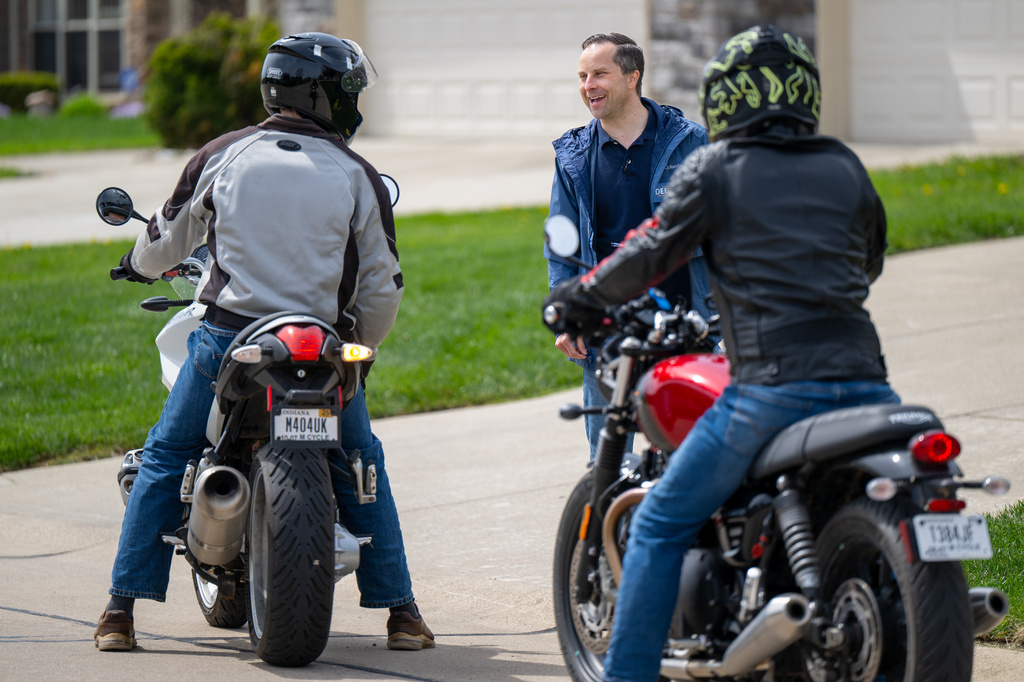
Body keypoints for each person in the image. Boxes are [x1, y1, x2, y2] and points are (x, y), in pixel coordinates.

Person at [543, 25, 899, 682]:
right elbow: (869, 257)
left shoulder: (715, 166)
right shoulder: (842, 163)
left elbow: (650, 253)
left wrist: (575, 299)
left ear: (727, 97)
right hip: (871, 386)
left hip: (769, 387)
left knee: (654, 526)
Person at [93, 32, 433, 654]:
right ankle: (403, 614)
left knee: (167, 454)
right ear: (320, 94)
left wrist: (136, 264)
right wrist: (364, 347)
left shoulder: (224, 154)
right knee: (362, 465)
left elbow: (166, 238)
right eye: (345, 91)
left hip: (227, 336)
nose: (351, 103)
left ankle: (120, 611)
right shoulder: (358, 174)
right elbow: (383, 284)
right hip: (323, 347)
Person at [545, 32, 713, 459]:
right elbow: (560, 242)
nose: (588, 85)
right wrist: (567, 313)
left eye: (599, 73)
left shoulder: (690, 142)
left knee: (690, 454)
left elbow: (722, 231)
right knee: (607, 461)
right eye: (582, 76)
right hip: (606, 326)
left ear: (632, 77)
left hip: (685, 322)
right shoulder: (574, 155)